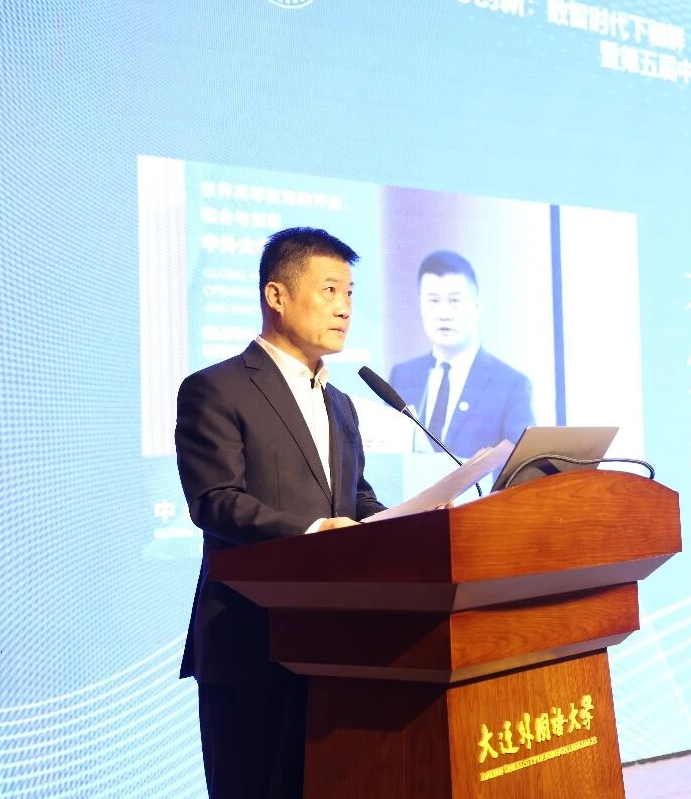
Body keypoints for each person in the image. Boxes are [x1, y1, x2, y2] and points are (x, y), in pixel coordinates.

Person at [175, 227, 384, 798]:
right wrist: (313, 533)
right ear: (277, 295)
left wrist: (416, 523)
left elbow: (357, 500)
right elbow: (215, 500)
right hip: (250, 642)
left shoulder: (341, 403)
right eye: (330, 290)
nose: (344, 309)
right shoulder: (216, 388)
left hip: (337, 649)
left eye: (350, 293)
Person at [389, 250, 534, 458]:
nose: (443, 314)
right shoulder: (403, 375)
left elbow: (521, 465)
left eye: (454, 301)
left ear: (477, 305)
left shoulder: (510, 384)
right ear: (420, 305)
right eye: (433, 301)